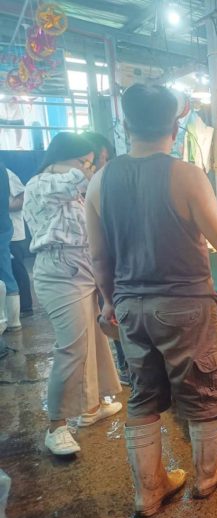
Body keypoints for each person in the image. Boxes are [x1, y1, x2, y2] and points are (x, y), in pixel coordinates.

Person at [85, 84, 217, 517]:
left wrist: (108, 302)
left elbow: (99, 254)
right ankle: (205, 474)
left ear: (124, 125)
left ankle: (148, 492)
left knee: (142, 395)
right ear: (176, 126)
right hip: (184, 305)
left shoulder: (100, 181)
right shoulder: (186, 175)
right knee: (203, 391)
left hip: (130, 306)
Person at [23, 132, 122, 456]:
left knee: (95, 340)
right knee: (71, 349)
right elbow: (76, 181)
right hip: (59, 274)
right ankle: (56, 426)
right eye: (84, 160)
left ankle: (91, 408)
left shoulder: (74, 191)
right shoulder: (41, 184)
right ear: (61, 157)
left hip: (83, 270)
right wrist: (91, 165)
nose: (89, 167)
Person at [81, 131, 129, 385]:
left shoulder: (106, 182)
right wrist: (108, 298)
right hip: (103, 271)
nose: (103, 164)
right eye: (97, 160)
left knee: (117, 320)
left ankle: (130, 371)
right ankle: (128, 370)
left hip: (112, 272)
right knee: (114, 320)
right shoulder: (93, 184)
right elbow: (99, 255)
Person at [7, 168, 32, 319]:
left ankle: (26, 306)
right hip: (5, 232)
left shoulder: (7, 174)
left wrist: (5, 208)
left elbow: (23, 197)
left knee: (17, 269)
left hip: (13, 232)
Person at [0, 164, 19, 332]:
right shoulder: (3, 168)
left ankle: (5, 322)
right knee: (5, 272)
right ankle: (12, 322)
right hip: (4, 224)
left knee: (4, 273)